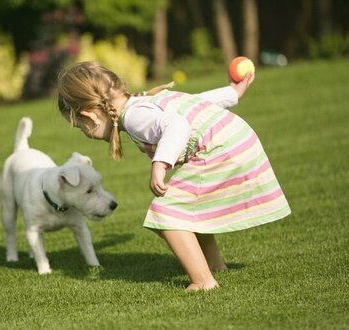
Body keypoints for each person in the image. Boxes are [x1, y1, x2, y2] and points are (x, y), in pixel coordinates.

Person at [56, 61, 291, 291]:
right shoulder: (143, 101)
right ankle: (215, 266)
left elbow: (177, 124)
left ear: (90, 116)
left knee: (166, 212)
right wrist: (231, 93)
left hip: (221, 150)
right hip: (237, 140)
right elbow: (194, 103)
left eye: (80, 127)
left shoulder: (135, 117)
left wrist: (160, 163)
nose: (85, 133)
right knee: (188, 208)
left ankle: (203, 281)